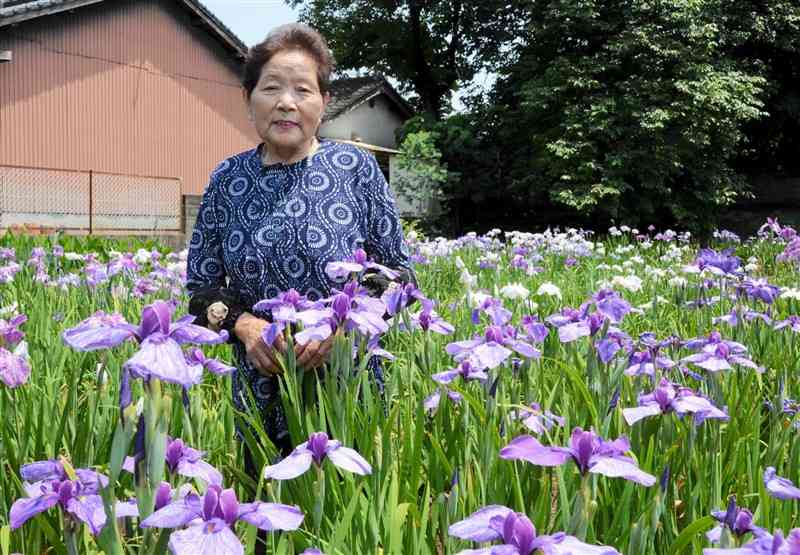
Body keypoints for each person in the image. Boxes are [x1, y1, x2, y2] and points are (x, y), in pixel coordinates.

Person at [185, 24, 413, 458]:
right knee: (263, 512)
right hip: (260, 388)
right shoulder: (227, 179)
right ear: (249, 99)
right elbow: (201, 290)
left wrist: (339, 330)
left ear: (324, 103)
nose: (287, 102)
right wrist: (248, 328)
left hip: (350, 384)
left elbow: (399, 276)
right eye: (271, 88)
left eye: (303, 90)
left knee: (347, 510)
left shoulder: (355, 168)